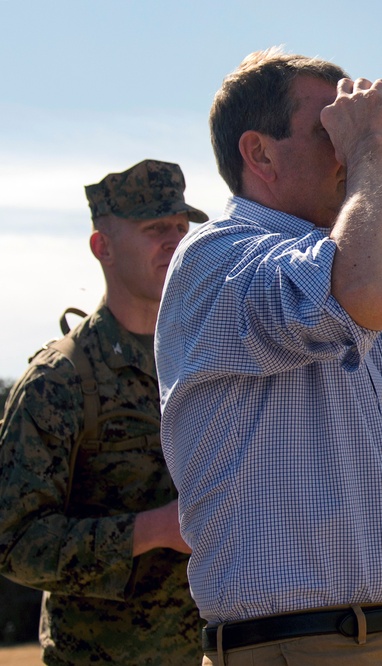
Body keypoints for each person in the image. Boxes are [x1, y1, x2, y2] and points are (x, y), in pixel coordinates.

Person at [154, 48, 382, 666]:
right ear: (259, 152)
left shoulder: (346, 262)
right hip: (300, 645)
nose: (349, 145)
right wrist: (375, 148)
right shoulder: (215, 262)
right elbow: (371, 295)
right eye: (333, 129)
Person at [0, 159, 207, 665]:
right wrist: (154, 529)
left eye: (181, 228)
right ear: (103, 247)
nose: (174, 241)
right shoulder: (61, 382)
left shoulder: (207, 359)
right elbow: (13, 541)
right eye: (154, 228)